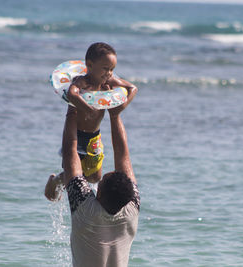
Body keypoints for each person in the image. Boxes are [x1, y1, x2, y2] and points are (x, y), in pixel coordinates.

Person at [45, 104, 140, 267]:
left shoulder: (86, 210)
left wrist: (72, 106)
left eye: (99, 184)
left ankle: (57, 182)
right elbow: (123, 155)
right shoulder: (131, 210)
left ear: (100, 195)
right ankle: (57, 182)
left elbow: (70, 152)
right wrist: (115, 115)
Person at [61, 42, 137, 183]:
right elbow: (72, 94)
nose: (109, 73)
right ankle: (57, 180)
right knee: (72, 176)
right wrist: (88, 109)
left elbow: (132, 88)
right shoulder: (83, 82)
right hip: (76, 135)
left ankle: (64, 178)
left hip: (94, 136)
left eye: (112, 69)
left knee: (95, 177)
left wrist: (121, 107)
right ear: (89, 65)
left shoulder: (108, 81)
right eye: (105, 68)